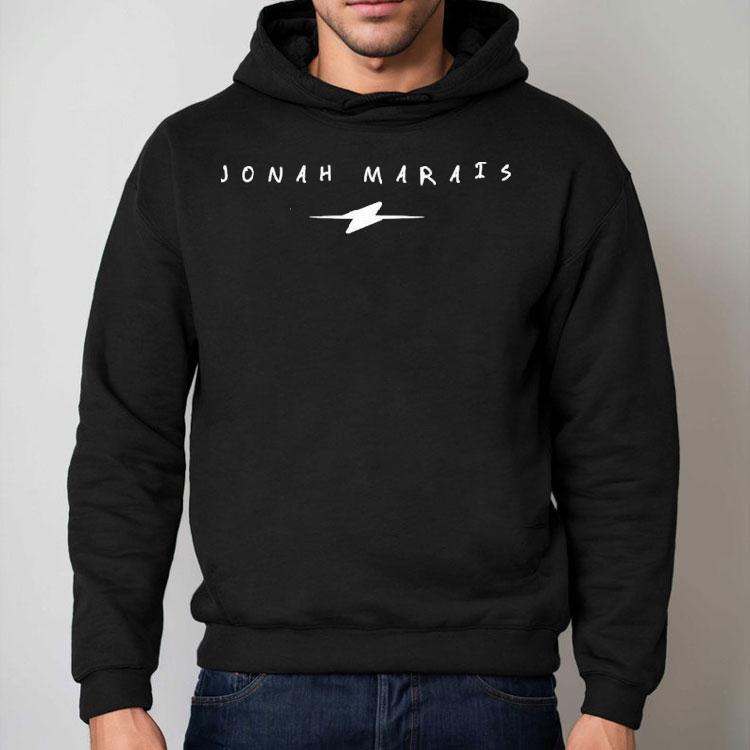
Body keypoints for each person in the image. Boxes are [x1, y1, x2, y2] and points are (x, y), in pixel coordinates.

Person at [68, 0, 679, 747]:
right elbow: (126, 438)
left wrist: (615, 696)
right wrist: (112, 687)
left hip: (492, 695)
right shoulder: (193, 155)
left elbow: (621, 440)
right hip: (261, 696)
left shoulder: (563, 154)